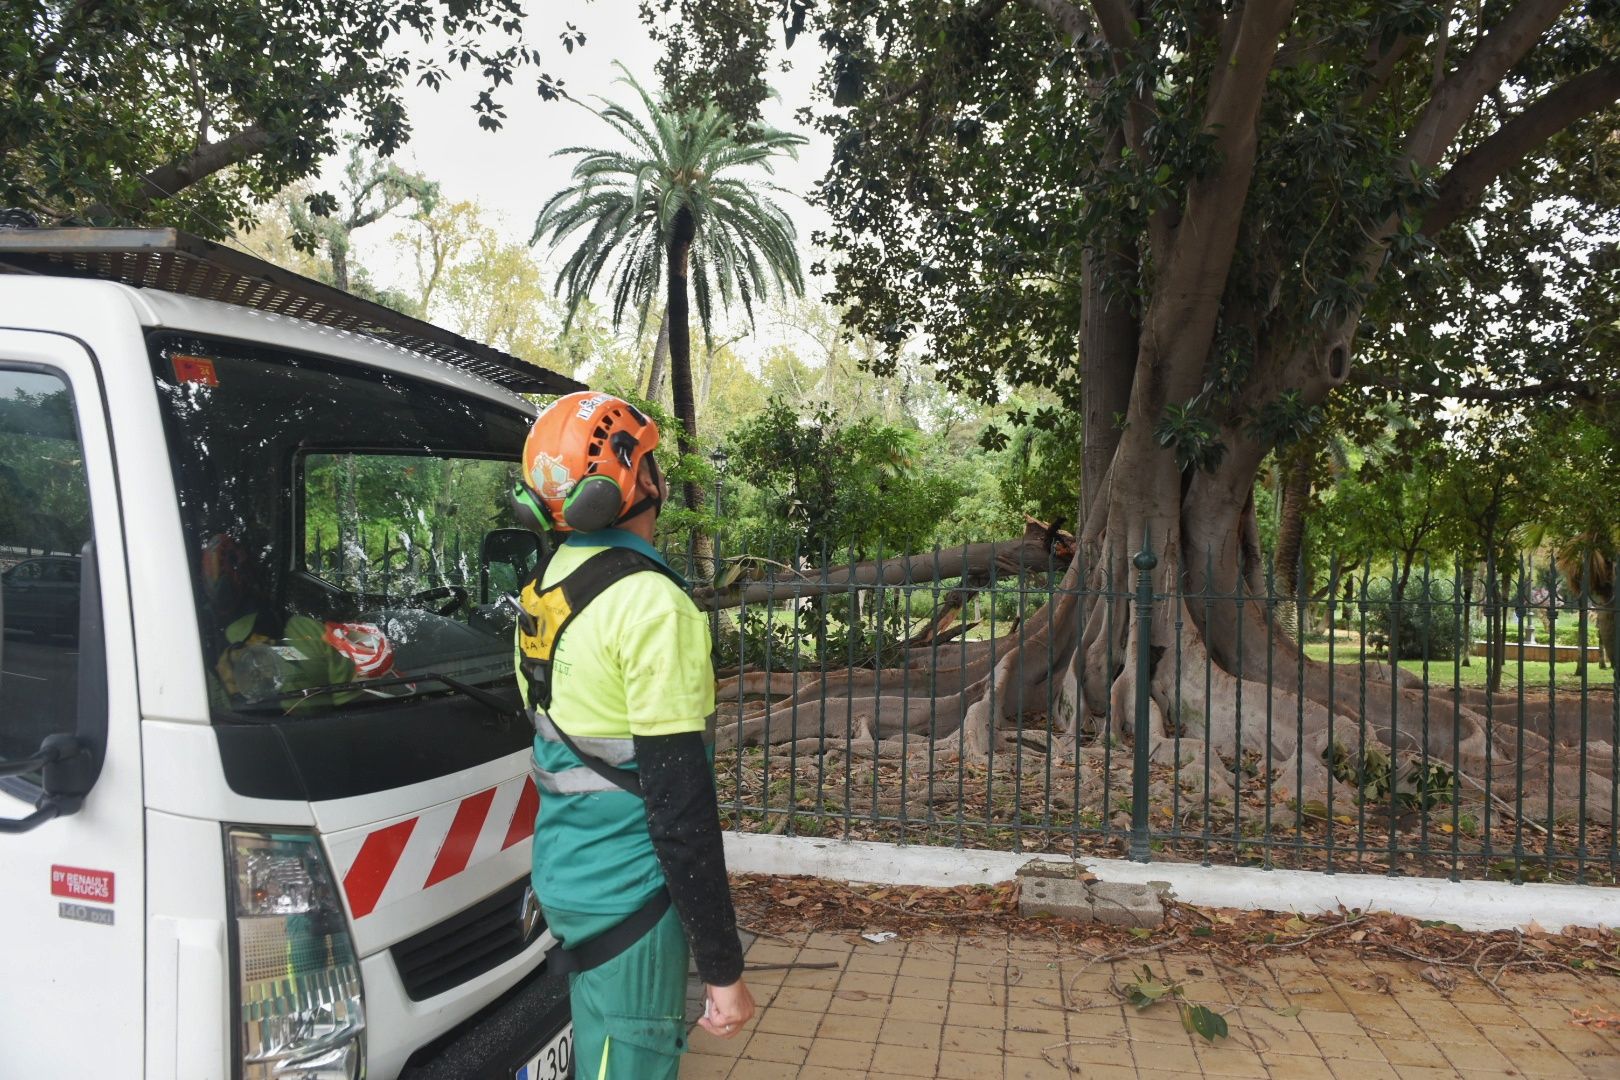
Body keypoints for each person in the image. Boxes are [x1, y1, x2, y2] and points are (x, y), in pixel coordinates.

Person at [511, 391, 753, 1080]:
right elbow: (680, 808)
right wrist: (723, 967)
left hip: (568, 874)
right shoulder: (650, 605)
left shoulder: (545, 587)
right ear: (635, 478)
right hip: (630, 897)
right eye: (648, 457)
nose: (658, 471)